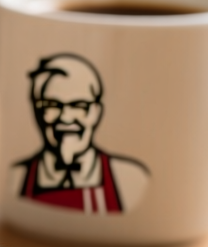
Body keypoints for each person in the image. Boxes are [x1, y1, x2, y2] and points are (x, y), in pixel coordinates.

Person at [10, 53, 148, 214]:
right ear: (36, 111)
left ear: (96, 112)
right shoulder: (18, 176)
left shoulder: (127, 177)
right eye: (52, 105)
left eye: (79, 105)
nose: (66, 118)